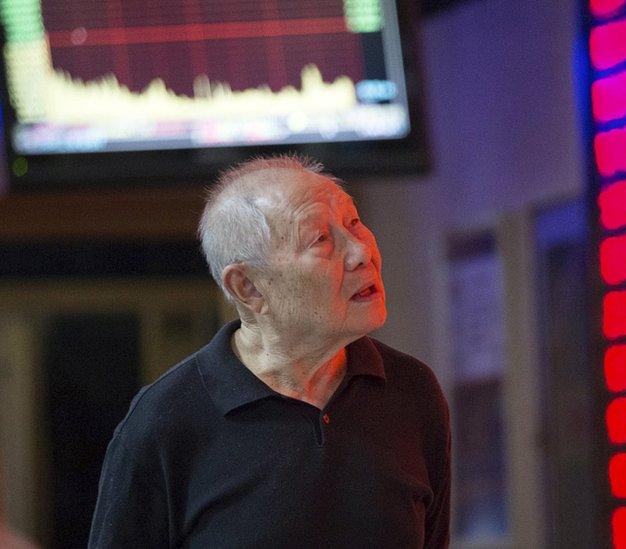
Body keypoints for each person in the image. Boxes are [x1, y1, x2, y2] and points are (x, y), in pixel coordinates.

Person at [89, 155, 451, 548]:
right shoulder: (164, 422)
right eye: (321, 240)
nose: (361, 252)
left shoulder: (413, 392)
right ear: (249, 287)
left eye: (353, 223)